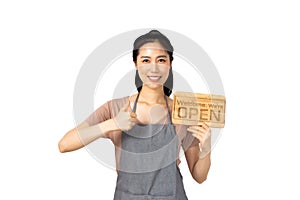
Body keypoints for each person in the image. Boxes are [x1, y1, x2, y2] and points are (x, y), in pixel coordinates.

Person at [58, 30, 211, 200]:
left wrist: (206, 149)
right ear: (136, 64)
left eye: (161, 60)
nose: (154, 68)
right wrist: (113, 124)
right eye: (146, 60)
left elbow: (199, 176)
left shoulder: (181, 111)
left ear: (170, 64)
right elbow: (64, 144)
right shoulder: (115, 108)